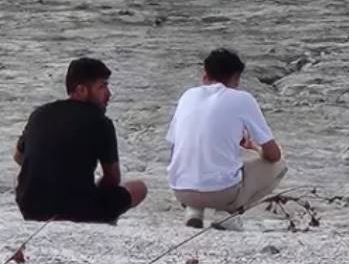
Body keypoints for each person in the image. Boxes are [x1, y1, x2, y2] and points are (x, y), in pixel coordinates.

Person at [13, 58, 148, 223]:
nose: (108, 93)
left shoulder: (39, 114)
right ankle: (106, 220)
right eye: (102, 86)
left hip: (30, 207)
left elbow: (18, 157)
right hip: (77, 211)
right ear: (81, 90)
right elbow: (112, 178)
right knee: (138, 188)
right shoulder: (101, 122)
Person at [167, 49, 287, 231]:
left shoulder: (188, 95)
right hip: (221, 194)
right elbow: (273, 154)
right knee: (279, 164)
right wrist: (253, 146)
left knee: (203, 161)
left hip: (181, 190)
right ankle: (228, 214)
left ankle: (194, 211)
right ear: (237, 78)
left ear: (205, 75)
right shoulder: (242, 99)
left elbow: (174, 146)